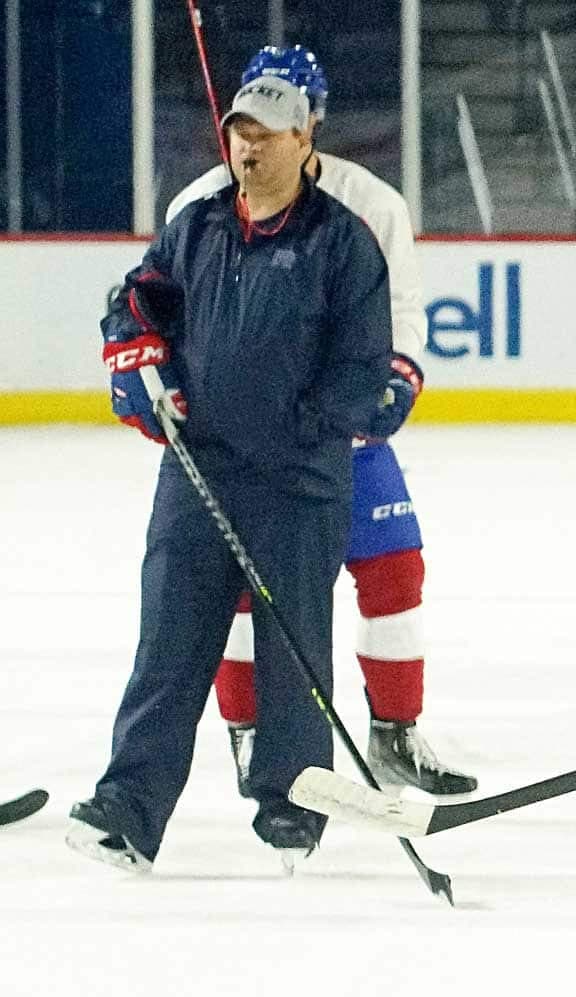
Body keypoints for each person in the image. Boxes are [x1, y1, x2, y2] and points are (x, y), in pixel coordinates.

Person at [69, 72, 390, 873]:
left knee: (294, 646)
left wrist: (293, 436)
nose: (248, 145)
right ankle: (130, 807)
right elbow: (139, 298)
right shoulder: (198, 227)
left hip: (297, 483)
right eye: (239, 130)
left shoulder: (342, 242)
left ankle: (293, 802)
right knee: (170, 641)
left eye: (267, 132)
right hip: (198, 472)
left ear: (303, 141)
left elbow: (361, 372)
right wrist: (134, 351)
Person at [166, 45, 478, 801]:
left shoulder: (371, 205)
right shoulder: (199, 206)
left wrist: (395, 378)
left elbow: (402, 315)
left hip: (341, 435)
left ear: (312, 126)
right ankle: (250, 738)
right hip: (238, 442)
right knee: (241, 590)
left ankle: (395, 734)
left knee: (395, 570)